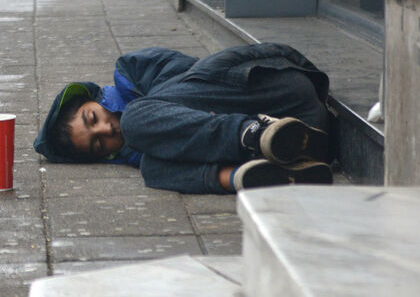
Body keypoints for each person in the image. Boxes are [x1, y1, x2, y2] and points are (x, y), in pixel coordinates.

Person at [34, 43, 335, 195]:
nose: (106, 129)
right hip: (308, 134)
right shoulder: (148, 153)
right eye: (99, 144)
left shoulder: (136, 70)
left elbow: (195, 84)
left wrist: (146, 121)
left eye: (93, 117)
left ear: (95, 97)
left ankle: (256, 134)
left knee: (135, 119)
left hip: (278, 90)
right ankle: (257, 174)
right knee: (151, 169)